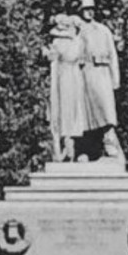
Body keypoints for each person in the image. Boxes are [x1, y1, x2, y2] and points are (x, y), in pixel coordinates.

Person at [76, 0, 123, 160]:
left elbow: (113, 56)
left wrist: (115, 78)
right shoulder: (76, 31)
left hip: (102, 73)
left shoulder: (103, 30)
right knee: (84, 115)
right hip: (84, 74)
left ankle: (109, 142)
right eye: (86, 9)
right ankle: (83, 150)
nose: (89, 12)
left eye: (91, 9)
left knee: (107, 110)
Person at [43, 14, 89, 161]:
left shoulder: (78, 41)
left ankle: (75, 148)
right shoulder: (59, 42)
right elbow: (63, 57)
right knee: (65, 111)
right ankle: (65, 147)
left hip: (75, 78)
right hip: (65, 78)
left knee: (76, 112)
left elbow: (78, 56)